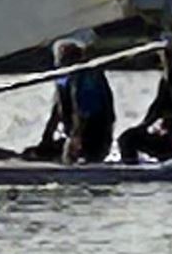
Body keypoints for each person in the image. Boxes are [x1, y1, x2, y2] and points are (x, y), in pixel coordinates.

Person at [27, 35, 117, 163]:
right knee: (37, 152)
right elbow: (56, 112)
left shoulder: (88, 78)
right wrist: (45, 141)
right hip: (75, 137)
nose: (59, 61)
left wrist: (75, 141)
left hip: (94, 143)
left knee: (71, 151)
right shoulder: (63, 79)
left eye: (64, 56)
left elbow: (84, 113)